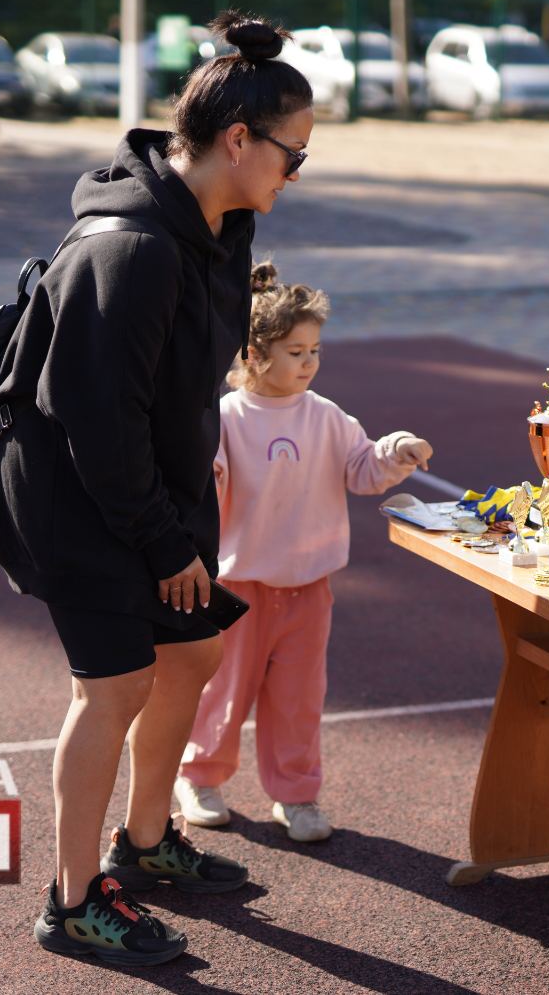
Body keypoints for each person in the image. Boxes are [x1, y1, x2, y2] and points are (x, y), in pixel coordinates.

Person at [0, 10, 315, 968]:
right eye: (294, 154)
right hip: (74, 490)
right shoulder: (130, 251)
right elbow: (95, 422)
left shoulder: (222, 223)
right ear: (238, 139)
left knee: (197, 647)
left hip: (151, 481)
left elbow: (178, 378)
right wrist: (163, 540)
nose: (297, 173)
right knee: (116, 682)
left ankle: (146, 838)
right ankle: (75, 899)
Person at [175, 263, 434, 843]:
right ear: (254, 353)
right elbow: (201, 489)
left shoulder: (327, 416)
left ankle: (296, 793)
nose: (310, 362)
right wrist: (204, 473)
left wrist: (396, 451)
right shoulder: (226, 418)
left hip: (308, 589)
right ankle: (199, 776)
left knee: (298, 699)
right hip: (236, 589)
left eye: (315, 349)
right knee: (223, 691)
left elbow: (364, 470)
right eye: (296, 351)